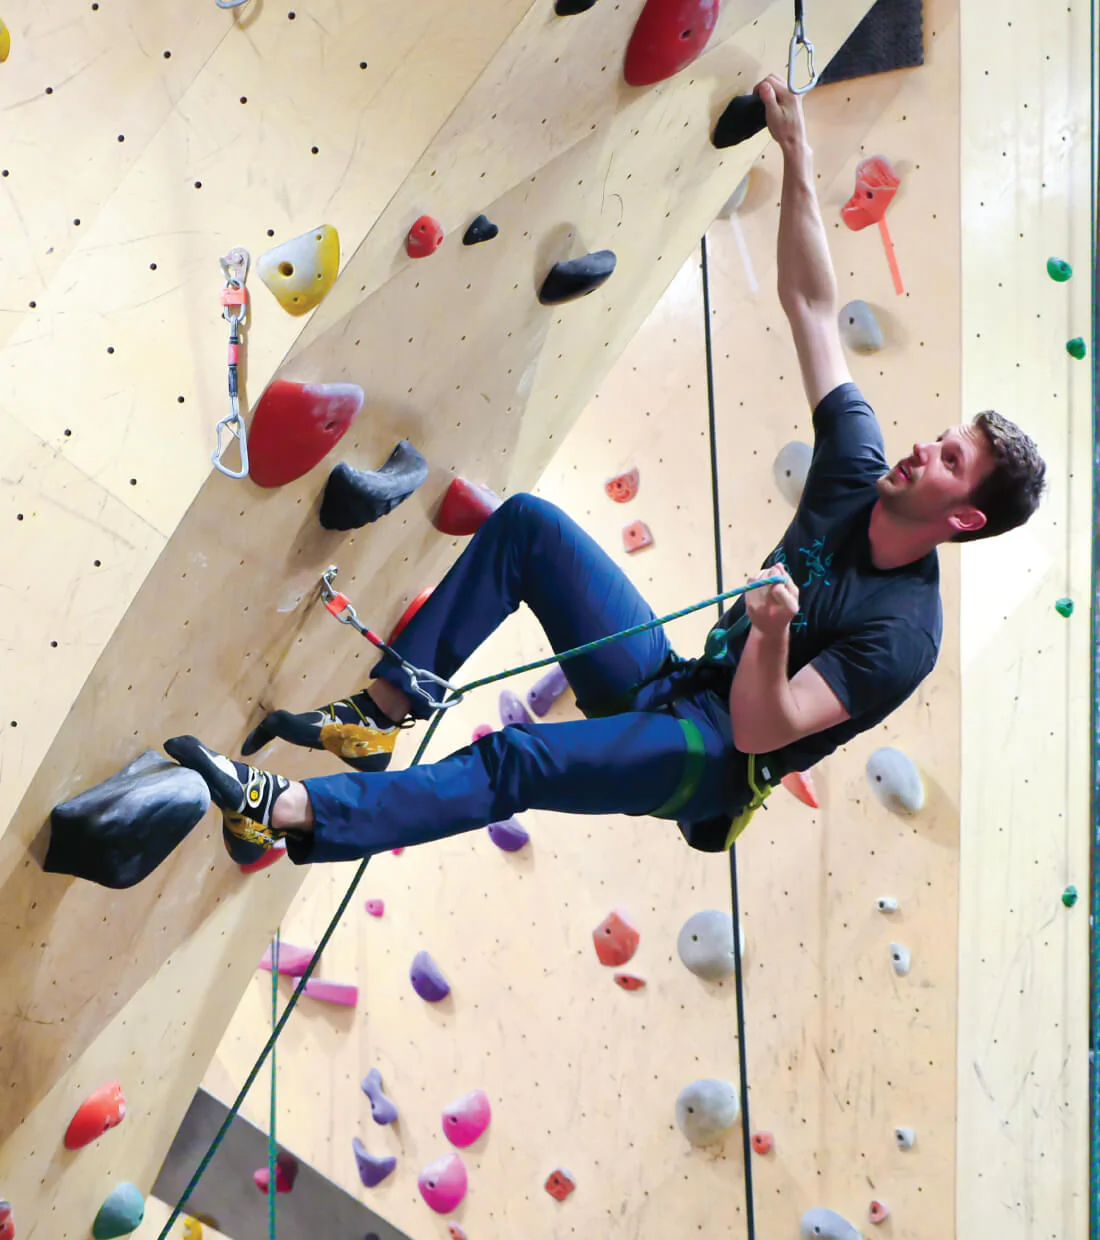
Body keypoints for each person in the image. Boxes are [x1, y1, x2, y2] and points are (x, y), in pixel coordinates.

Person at [165, 75, 1046, 865]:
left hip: (712, 760)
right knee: (527, 527)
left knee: (520, 759)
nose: (923, 448)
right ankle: (381, 713)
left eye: (949, 459)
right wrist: (798, 159)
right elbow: (814, 307)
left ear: (964, 517)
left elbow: (758, 728)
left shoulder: (903, 634)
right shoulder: (859, 466)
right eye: (942, 435)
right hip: (677, 682)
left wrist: (774, 634)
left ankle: (284, 809)